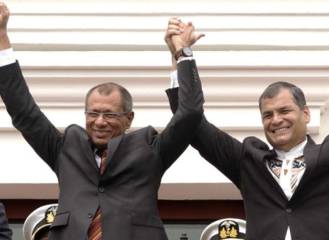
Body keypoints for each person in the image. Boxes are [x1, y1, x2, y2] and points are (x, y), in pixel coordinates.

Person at [166, 20, 329, 240]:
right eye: (268, 115)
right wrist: (182, 55)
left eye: (284, 111)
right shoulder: (248, 161)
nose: (276, 120)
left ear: (305, 114)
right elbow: (191, 124)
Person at [0, 3, 204, 239]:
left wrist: (182, 54)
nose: (99, 122)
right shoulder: (66, 148)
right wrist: (2, 38)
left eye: (109, 115)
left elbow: (189, 115)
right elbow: (24, 112)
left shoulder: (150, 149)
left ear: (129, 119)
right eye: (92, 114)